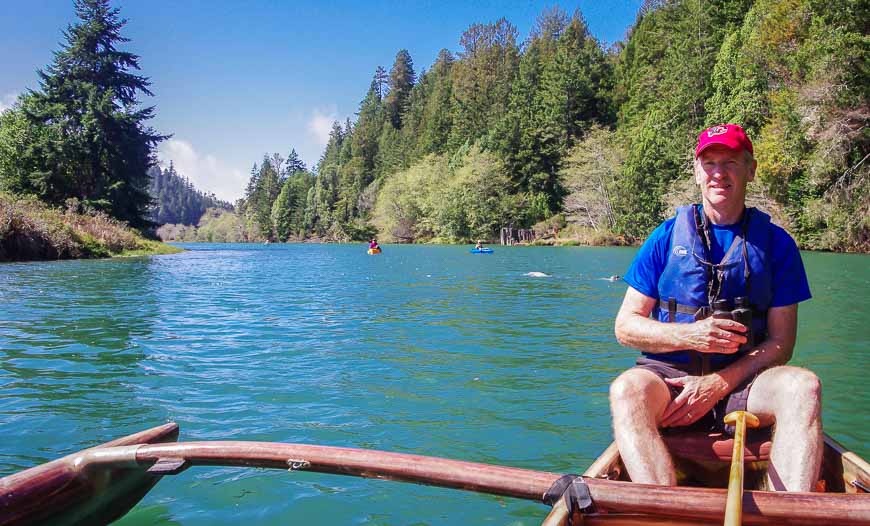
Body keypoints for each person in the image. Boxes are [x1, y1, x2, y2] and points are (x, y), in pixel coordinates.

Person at [610, 124, 822, 491]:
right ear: (696, 171)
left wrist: (718, 383)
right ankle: (664, 512)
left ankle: (790, 513)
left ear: (750, 169)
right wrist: (689, 333)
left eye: (731, 162)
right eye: (709, 163)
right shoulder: (664, 237)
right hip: (670, 382)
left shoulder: (777, 244)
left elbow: (781, 344)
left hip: (746, 385)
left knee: (803, 387)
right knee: (626, 390)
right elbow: (625, 327)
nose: (718, 173)